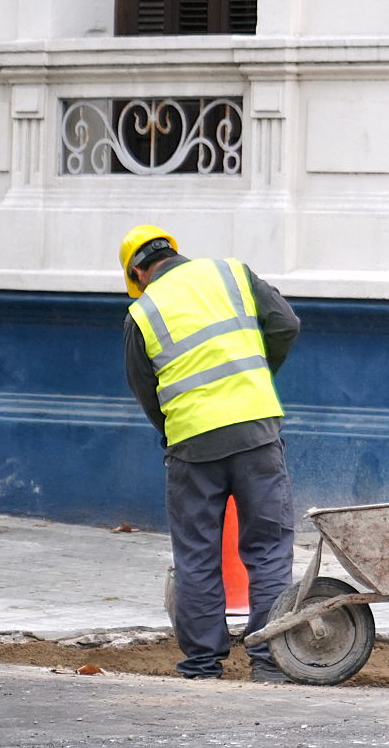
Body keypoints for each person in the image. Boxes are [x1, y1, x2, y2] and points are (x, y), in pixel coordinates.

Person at [119, 223, 303, 680]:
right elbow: (286, 324)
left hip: (192, 445)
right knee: (269, 550)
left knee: (198, 555)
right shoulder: (232, 273)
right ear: (173, 253)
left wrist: (173, 430)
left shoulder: (141, 313)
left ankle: (202, 665)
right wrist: (256, 375)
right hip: (256, 430)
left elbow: (145, 390)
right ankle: (270, 662)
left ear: (138, 273)